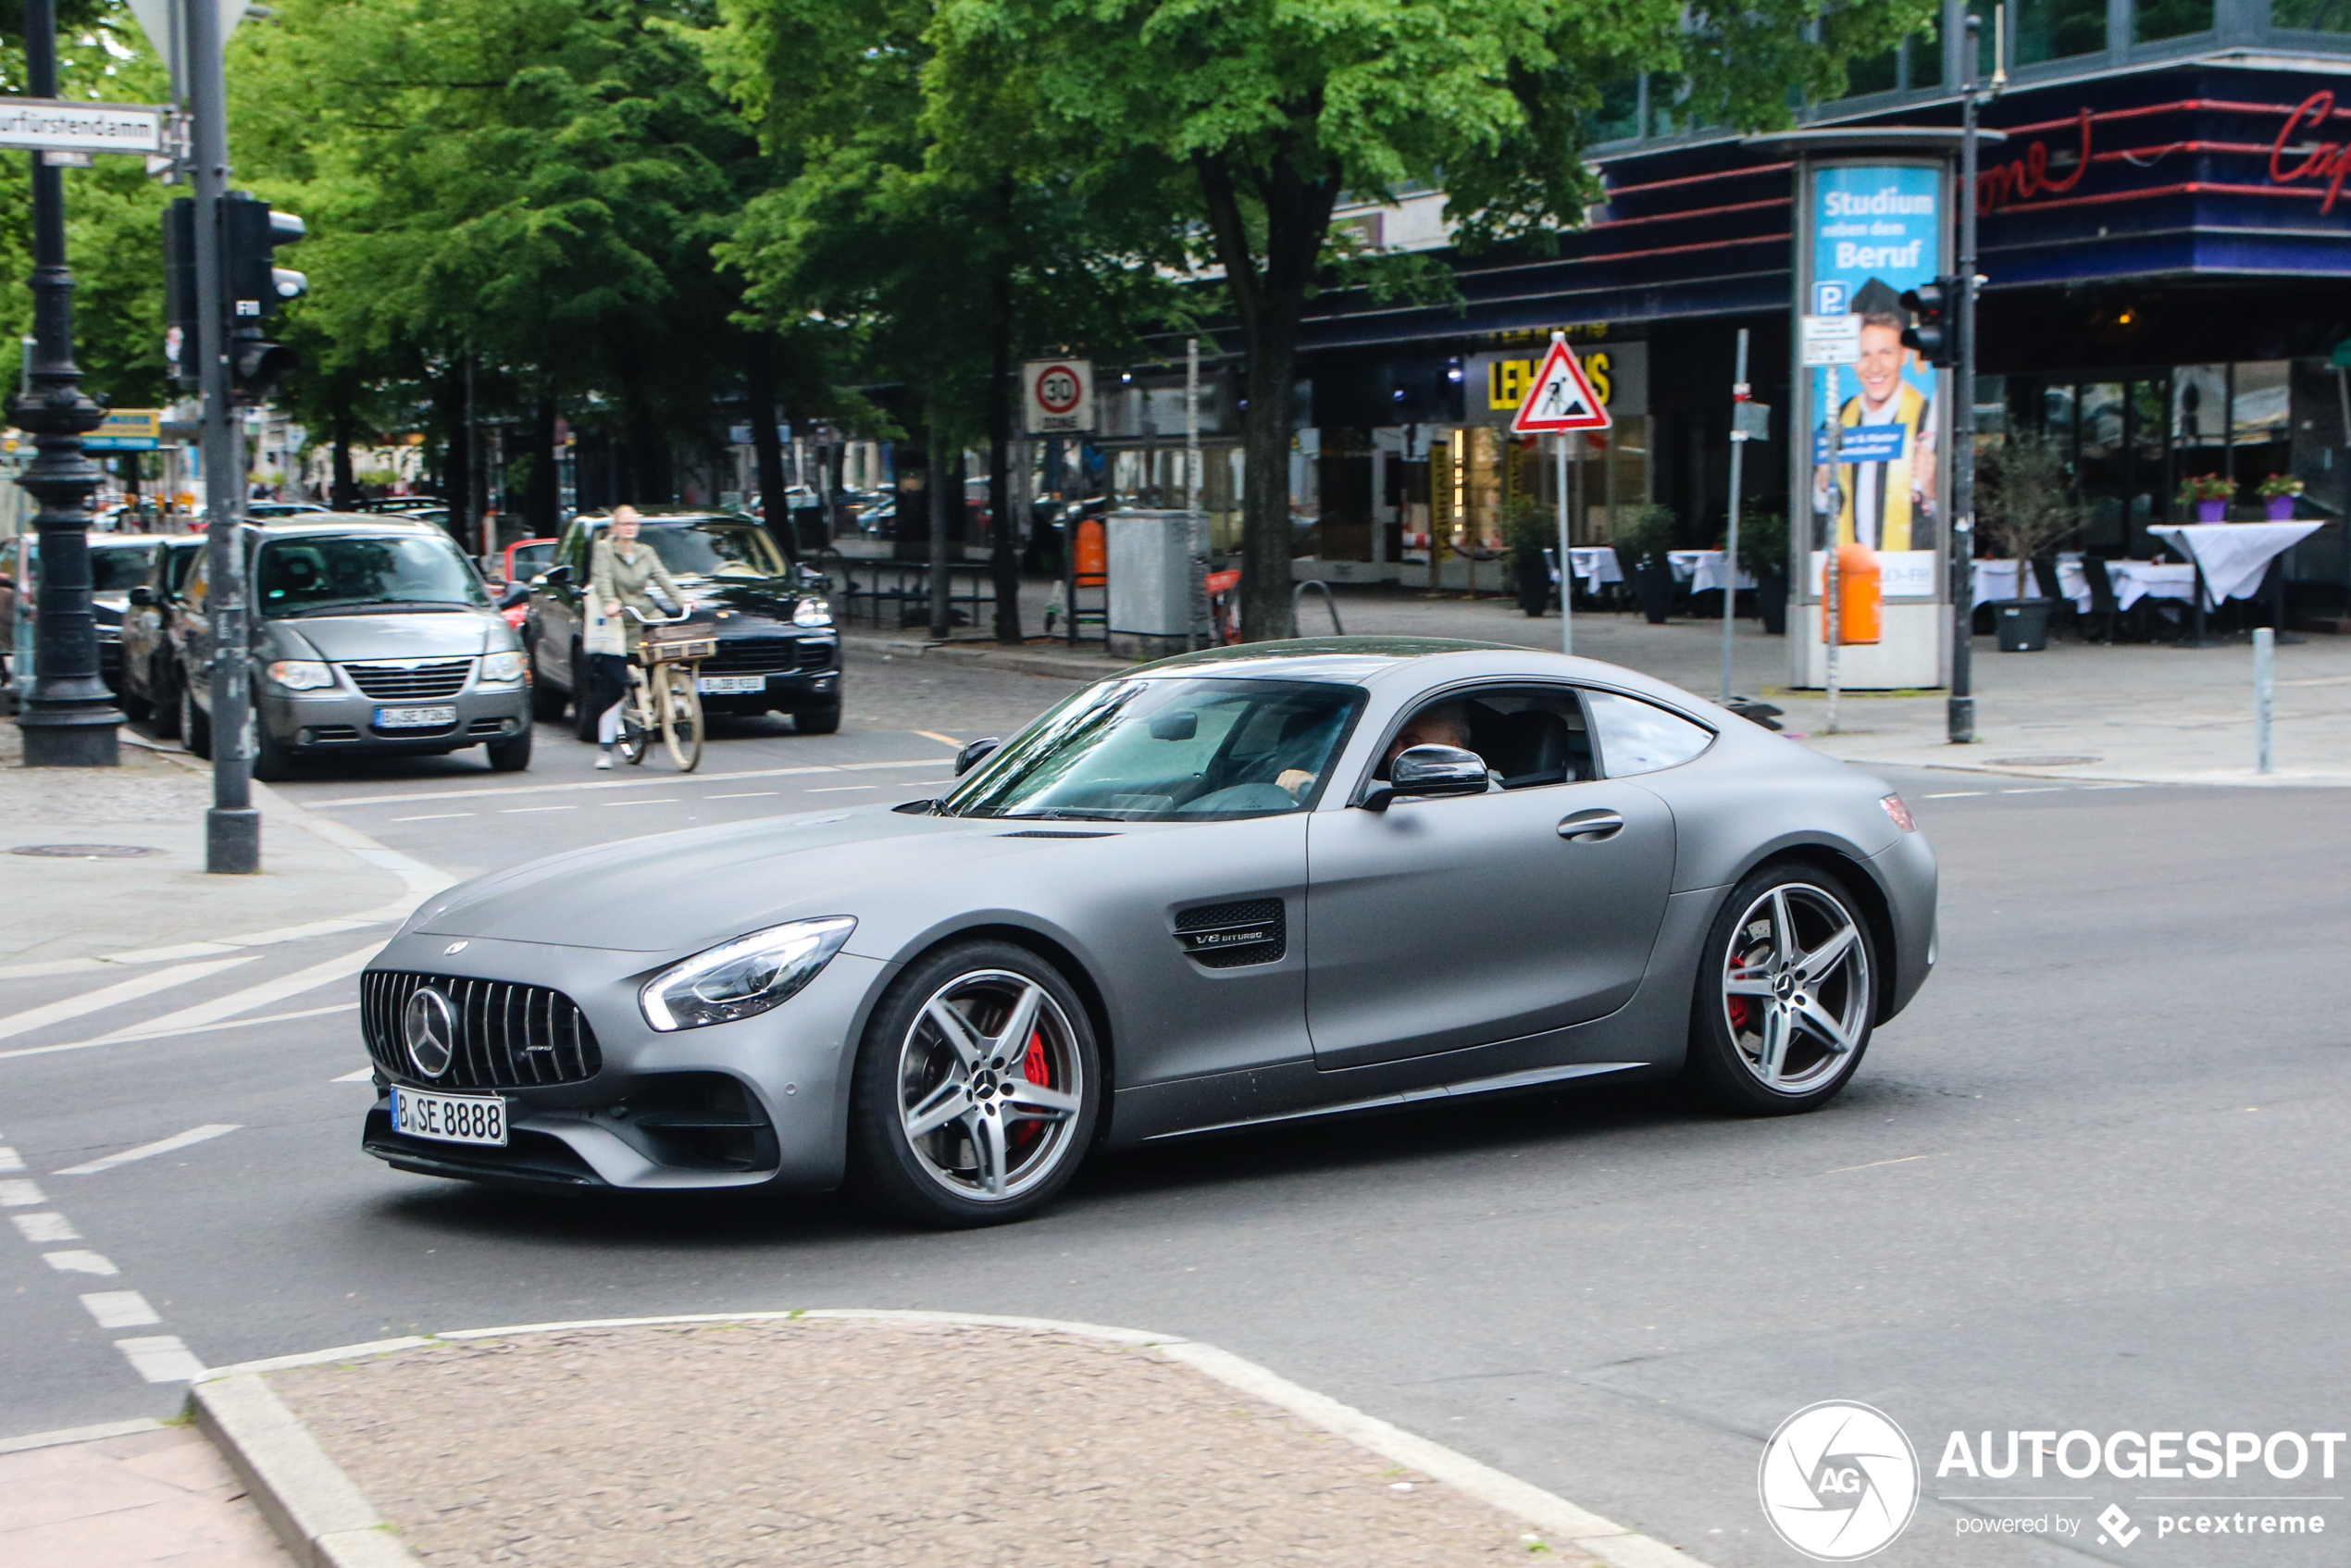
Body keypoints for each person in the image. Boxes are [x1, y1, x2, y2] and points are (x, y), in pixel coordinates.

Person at [1811, 277, 1937, 553]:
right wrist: (1822, 486)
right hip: (1849, 576)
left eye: (1886, 352)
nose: (1875, 367)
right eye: (1864, 354)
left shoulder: (1930, 422)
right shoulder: (1836, 420)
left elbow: (1957, 525)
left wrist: (1933, 489)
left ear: (1905, 354)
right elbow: (1815, 523)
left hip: (1908, 575)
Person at [585, 505, 686, 768]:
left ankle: (673, 691)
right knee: (615, 685)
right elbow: (602, 579)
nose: (630, 527)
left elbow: (663, 578)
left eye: (634, 523)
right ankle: (605, 749)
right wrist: (609, 602)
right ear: (616, 526)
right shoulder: (605, 549)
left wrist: (683, 600)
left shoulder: (645, 552)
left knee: (669, 645)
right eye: (625, 523)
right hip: (616, 621)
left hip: (642, 616)